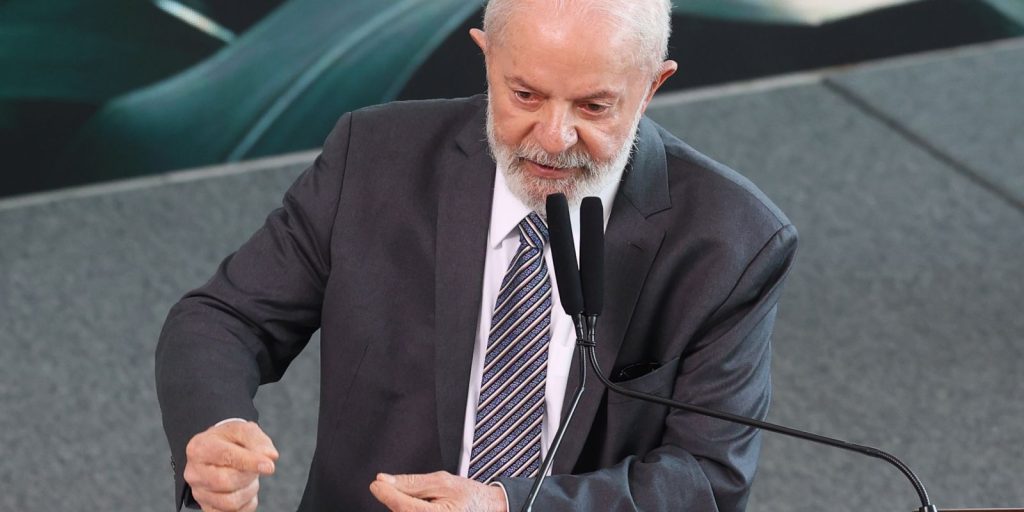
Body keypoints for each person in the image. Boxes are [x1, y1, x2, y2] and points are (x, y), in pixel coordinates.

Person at [155, 0, 798, 510]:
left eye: (594, 106)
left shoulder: (732, 239)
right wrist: (211, 431)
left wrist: (506, 506)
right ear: (487, 57)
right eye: (525, 96)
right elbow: (223, 319)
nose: (554, 137)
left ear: (652, 85)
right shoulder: (373, 158)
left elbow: (707, 477)